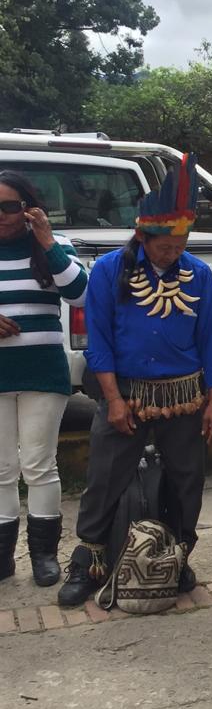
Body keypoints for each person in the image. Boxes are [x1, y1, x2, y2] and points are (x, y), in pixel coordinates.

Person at [58, 154, 212, 607]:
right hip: (127, 394)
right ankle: (89, 562)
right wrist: (113, 400)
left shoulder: (200, 274)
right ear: (143, 236)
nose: (174, 253)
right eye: (165, 246)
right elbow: (99, 344)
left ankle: (175, 555)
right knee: (105, 476)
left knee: (187, 478)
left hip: (184, 395)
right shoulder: (111, 271)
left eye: (180, 245)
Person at [0, 171, 88, 587]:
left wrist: (48, 242)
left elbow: (83, 294)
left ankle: (44, 556)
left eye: (9, 206)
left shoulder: (56, 246)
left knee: (38, 464)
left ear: (28, 207)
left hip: (43, 371)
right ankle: (3, 557)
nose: (2, 215)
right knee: (1, 468)